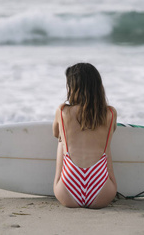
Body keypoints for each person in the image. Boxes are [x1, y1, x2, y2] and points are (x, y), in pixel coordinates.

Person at [53, 63, 117, 208]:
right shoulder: (110, 113)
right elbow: (112, 131)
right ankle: (106, 179)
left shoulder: (62, 111)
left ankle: (64, 178)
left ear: (73, 87)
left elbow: (55, 133)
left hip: (67, 191)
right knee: (105, 141)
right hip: (103, 192)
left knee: (61, 139)